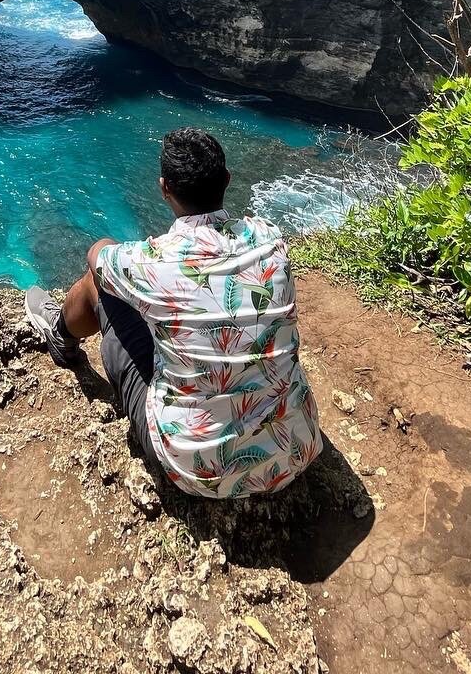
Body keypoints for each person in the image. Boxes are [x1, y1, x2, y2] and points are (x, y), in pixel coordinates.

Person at [23, 128, 321, 499]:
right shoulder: (270, 240)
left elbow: (97, 257)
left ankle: (60, 338)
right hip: (296, 447)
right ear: (227, 180)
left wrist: (106, 247)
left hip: (197, 470)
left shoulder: (154, 262)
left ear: (164, 188)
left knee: (98, 283)